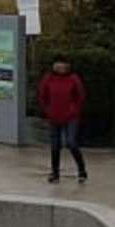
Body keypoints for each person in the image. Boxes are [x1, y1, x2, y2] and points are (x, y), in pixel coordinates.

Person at [35, 55, 88, 183]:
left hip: (71, 117)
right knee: (55, 145)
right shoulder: (48, 78)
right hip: (54, 116)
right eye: (57, 65)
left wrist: (74, 110)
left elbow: (80, 96)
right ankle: (55, 173)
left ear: (67, 66)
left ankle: (81, 170)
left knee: (71, 143)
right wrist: (48, 111)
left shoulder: (73, 78)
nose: (60, 67)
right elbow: (42, 96)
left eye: (63, 64)